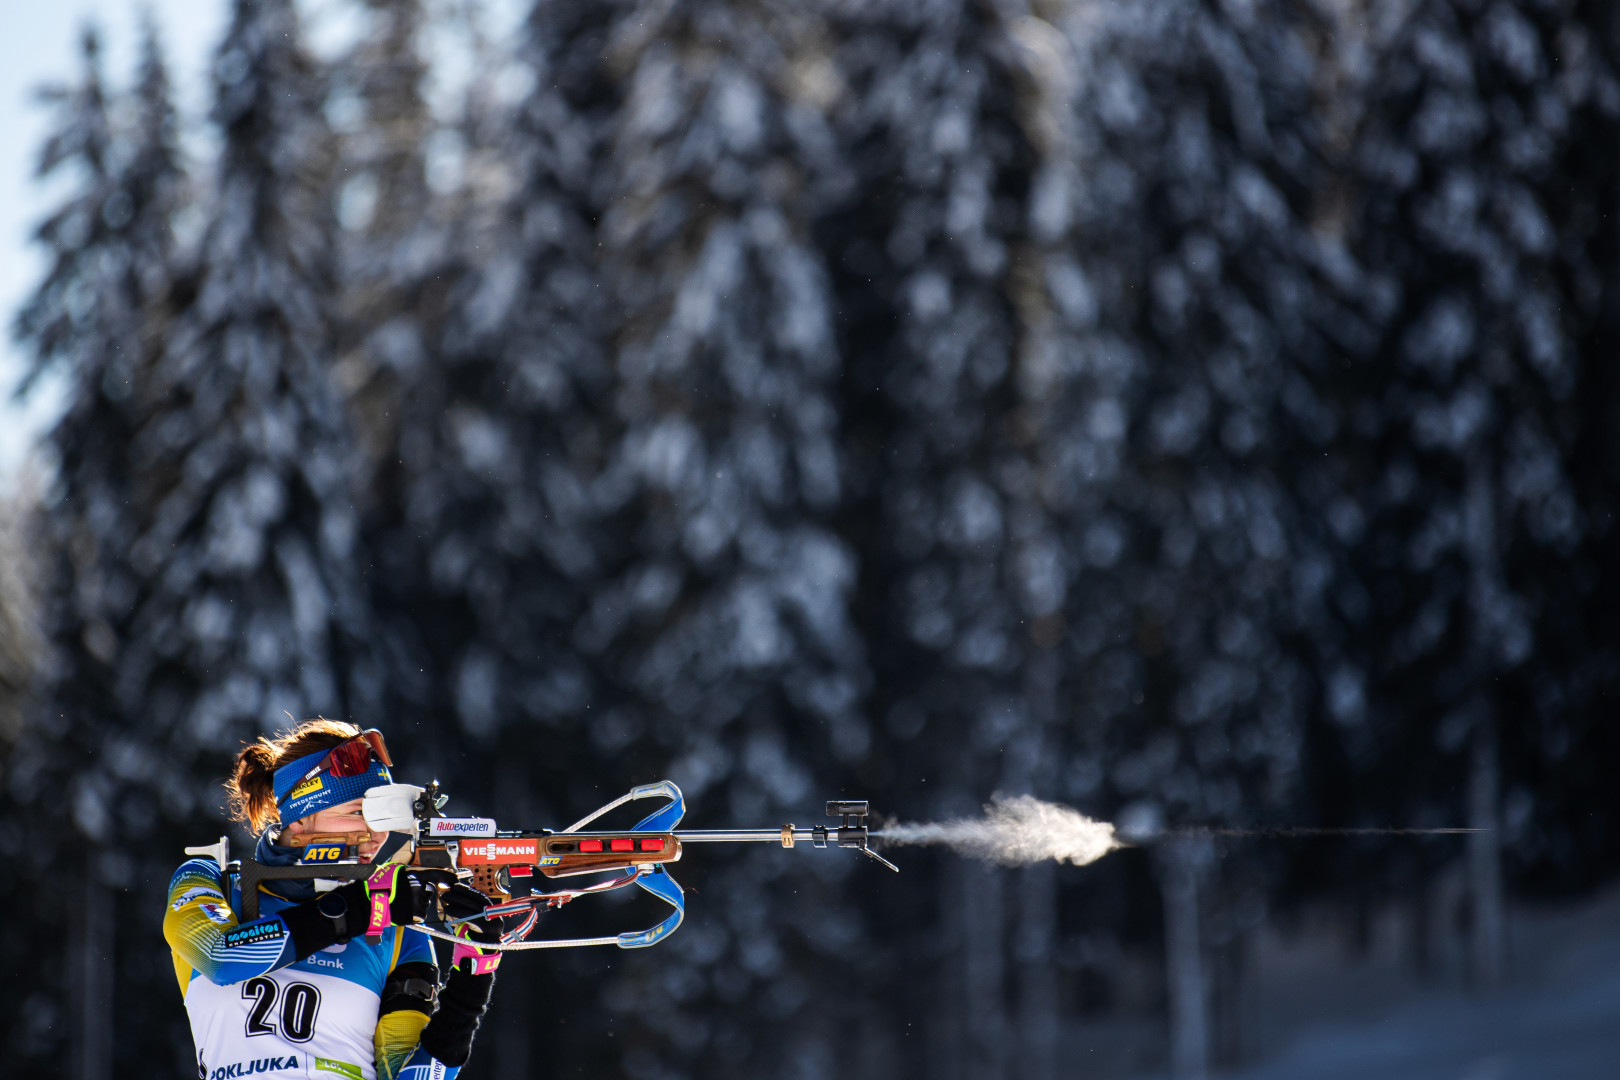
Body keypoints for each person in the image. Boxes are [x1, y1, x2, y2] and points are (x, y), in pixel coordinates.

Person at [164, 719, 500, 1080]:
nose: (376, 836)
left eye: (382, 817)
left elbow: (408, 1074)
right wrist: (362, 907)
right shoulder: (208, 881)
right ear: (301, 818)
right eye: (358, 813)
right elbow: (223, 958)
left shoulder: (398, 928)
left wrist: (471, 982)